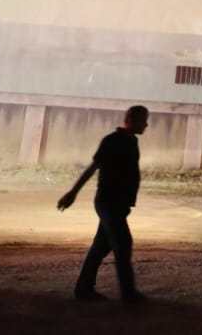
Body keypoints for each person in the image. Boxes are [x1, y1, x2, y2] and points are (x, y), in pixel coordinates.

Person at [57, 104, 149, 304]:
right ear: (131, 120)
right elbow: (93, 167)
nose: (146, 125)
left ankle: (84, 289)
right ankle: (128, 294)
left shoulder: (130, 141)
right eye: (143, 120)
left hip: (117, 203)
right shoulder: (113, 141)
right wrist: (72, 193)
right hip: (109, 202)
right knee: (123, 244)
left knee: (100, 247)